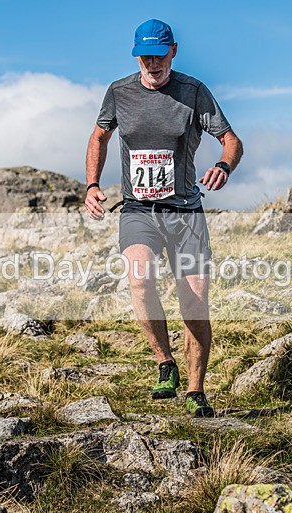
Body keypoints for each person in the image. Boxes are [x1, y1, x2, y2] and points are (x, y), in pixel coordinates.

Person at [84, 19, 243, 417]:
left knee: (195, 302)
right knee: (139, 281)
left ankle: (195, 390)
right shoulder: (119, 92)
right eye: (145, 55)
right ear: (136, 54)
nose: (152, 63)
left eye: (159, 54)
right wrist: (92, 184)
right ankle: (164, 362)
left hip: (186, 214)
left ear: (174, 50)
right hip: (139, 210)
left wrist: (224, 165)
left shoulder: (193, 92)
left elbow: (231, 140)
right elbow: (99, 136)